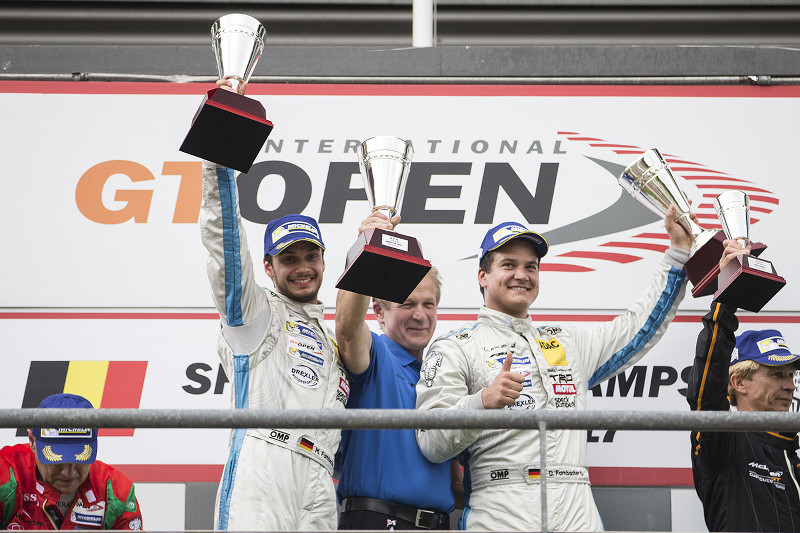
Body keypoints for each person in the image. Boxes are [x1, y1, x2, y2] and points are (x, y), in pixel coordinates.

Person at [415, 207, 693, 531]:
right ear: (482, 276)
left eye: (530, 267)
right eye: (509, 264)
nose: (522, 274)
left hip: (577, 511)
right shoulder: (456, 347)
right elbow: (431, 442)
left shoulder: (566, 342)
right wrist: (482, 402)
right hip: (500, 510)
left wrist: (677, 254)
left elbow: (637, 328)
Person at [202, 79, 348, 531]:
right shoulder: (257, 313)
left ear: (324, 259)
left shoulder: (334, 339)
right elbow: (224, 245)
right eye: (288, 259)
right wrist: (219, 160)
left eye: (311, 256)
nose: (302, 267)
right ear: (268, 267)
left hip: (321, 481)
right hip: (264, 468)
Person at [335, 212, 462, 531]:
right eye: (407, 304)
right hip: (378, 520)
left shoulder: (444, 374)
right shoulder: (375, 354)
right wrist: (367, 251)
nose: (420, 315)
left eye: (428, 304)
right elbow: (347, 331)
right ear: (378, 312)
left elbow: (456, 484)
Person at [687, 239, 800, 532]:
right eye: (776, 375)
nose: (789, 386)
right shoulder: (724, 443)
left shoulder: (791, 452)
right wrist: (726, 297)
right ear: (738, 382)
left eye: (791, 376)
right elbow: (706, 392)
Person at [0, 393, 142, 530]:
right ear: (32, 441)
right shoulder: (6, 477)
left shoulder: (115, 492)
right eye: (57, 461)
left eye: (78, 459)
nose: (68, 473)